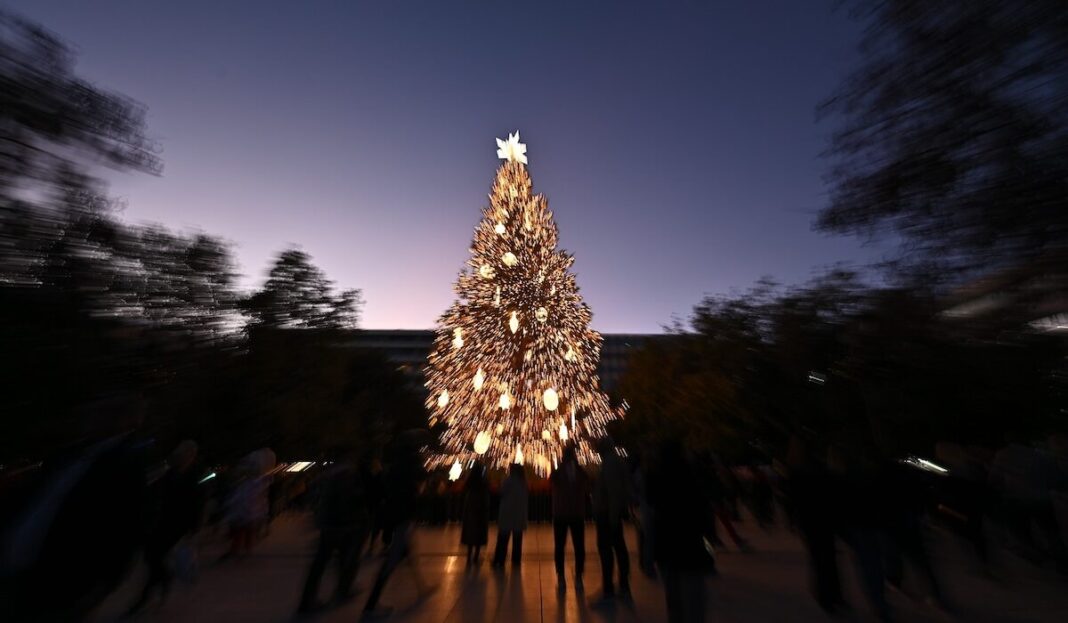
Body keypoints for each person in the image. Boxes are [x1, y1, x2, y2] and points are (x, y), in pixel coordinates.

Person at [127, 440, 204, 615]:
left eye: (183, 454)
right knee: (151, 557)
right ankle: (164, 578)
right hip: (161, 521)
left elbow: (198, 503)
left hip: (178, 526)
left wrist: (194, 529)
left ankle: (144, 598)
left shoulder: (194, 476)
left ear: (191, 455)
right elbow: (156, 493)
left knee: (155, 556)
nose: (179, 457)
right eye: (178, 454)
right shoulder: (171, 472)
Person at [362, 437, 433, 620]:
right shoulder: (411, 466)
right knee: (391, 562)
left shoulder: (393, 468)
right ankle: (370, 605)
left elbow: (384, 488)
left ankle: (422, 588)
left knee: (408, 553)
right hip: (403, 517)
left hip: (395, 516)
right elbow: (422, 480)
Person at [649, 438, 716, 623]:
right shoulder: (691, 477)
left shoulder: (659, 477)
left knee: (675, 599)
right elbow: (702, 512)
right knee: (693, 600)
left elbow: (655, 511)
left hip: (669, 548)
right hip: (690, 546)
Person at [298, 449, 370, 613]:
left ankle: (311, 599)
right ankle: (339, 591)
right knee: (342, 559)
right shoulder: (347, 475)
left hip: (329, 523)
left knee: (327, 561)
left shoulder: (327, 474)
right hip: (342, 524)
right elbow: (349, 500)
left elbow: (313, 496)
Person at [591, 437, 631, 605]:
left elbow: (613, 492)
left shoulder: (610, 464)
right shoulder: (615, 461)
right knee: (618, 548)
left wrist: (613, 516)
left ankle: (611, 588)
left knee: (607, 550)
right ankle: (621, 586)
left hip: (607, 514)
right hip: (610, 513)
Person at [550, 444, 590, 592]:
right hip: (575, 514)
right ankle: (577, 577)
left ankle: (562, 577)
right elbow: (587, 484)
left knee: (561, 547)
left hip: (562, 514)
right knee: (578, 546)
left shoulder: (560, 472)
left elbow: (553, 481)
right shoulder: (578, 472)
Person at [493, 463, 529, 568]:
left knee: (502, 540)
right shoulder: (524, 482)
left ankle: (499, 560)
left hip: (507, 513)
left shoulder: (508, 481)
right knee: (517, 541)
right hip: (519, 514)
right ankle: (516, 561)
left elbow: (502, 493)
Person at [460, 463, 490, 564]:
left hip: (470, 509)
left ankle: (469, 556)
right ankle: (476, 557)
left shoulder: (470, 482)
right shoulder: (483, 482)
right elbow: (487, 494)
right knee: (479, 533)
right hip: (480, 509)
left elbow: (464, 491)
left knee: (471, 532)